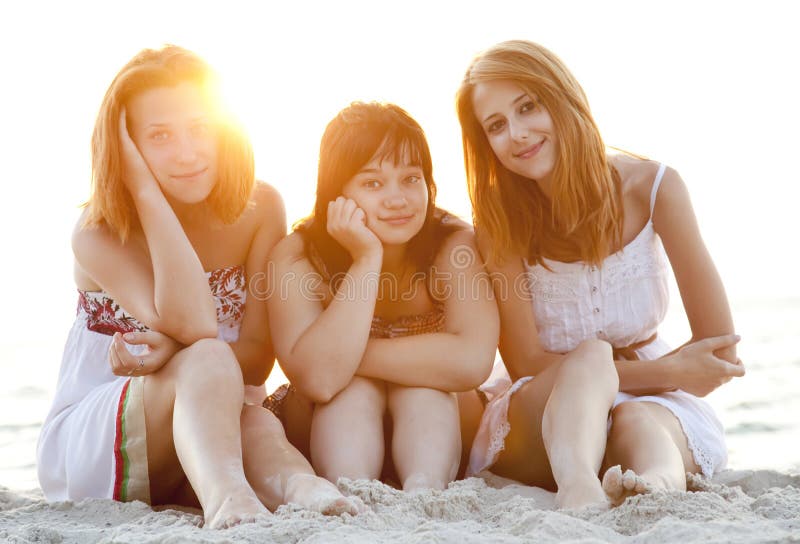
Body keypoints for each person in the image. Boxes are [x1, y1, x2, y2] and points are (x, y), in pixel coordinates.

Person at [36, 45, 361, 529]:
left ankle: (297, 485)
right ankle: (228, 499)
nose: (186, 154)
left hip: (210, 431)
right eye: (159, 136)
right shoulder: (98, 232)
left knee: (254, 419)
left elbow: (255, 357)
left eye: (199, 128)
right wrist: (145, 192)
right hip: (99, 441)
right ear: (127, 148)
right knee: (209, 358)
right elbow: (195, 323)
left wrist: (170, 349)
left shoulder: (260, 208)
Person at [454, 40, 745, 508]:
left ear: (561, 96)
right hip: (543, 408)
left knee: (638, 423)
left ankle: (657, 487)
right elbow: (528, 361)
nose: (518, 133)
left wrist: (649, 379)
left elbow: (719, 351)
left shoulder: (654, 188)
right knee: (590, 358)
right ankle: (579, 488)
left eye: (528, 107)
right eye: (497, 125)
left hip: (649, 402)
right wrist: (669, 371)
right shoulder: (498, 220)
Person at [265, 101, 499, 491]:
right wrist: (366, 259)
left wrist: (351, 357)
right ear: (335, 193)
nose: (397, 199)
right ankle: (353, 500)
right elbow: (321, 382)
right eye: (373, 183)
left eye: (411, 178)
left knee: (423, 385)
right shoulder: (299, 255)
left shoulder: (452, 245)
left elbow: (473, 362)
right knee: (350, 390)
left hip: (437, 424)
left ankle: (424, 498)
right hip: (331, 423)